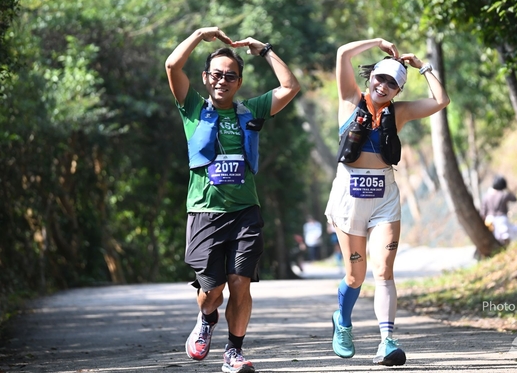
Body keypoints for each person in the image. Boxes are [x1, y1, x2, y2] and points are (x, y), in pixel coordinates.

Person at [165, 26, 300, 373]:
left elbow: (290, 87)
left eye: (230, 76)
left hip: (245, 212)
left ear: (239, 82)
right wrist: (199, 34)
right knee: (212, 292)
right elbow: (172, 66)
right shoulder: (193, 108)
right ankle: (206, 317)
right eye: (216, 74)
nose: (222, 81)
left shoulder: (250, 110)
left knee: (240, 284)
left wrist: (264, 50)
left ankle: (234, 352)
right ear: (206, 78)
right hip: (204, 212)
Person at [324, 38, 450, 366]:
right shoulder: (350, 100)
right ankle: (343, 321)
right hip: (349, 197)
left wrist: (423, 66)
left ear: (398, 90)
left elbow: (441, 100)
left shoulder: (400, 113)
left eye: (392, 83)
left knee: (383, 270)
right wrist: (377, 42)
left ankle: (387, 341)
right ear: (371, 77)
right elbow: (342, 53)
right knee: (356, 275)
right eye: (380, 78)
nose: (383, 86)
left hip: (384, 198)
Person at [480, 175, 517, 245]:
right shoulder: (503, 194)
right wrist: (508, 189)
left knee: (499, 237)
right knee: (509, 235)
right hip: (502, 219)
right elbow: (514, 199)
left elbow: (483, 212)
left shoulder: (486, 196)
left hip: (490, 221)